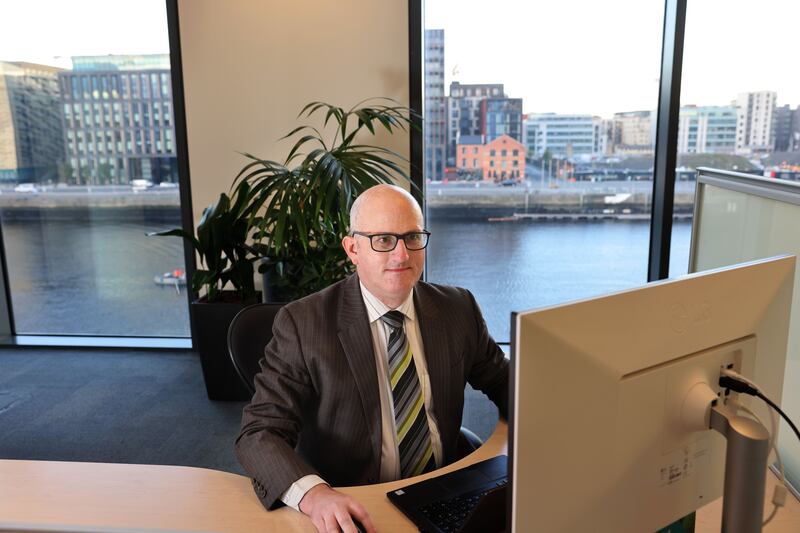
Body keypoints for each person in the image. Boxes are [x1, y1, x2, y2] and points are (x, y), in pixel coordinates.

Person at [235, 184, 508, 533]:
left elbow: (503, 381)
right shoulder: (303, 324)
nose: (401, 255)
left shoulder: (458, 308)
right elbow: (260, 432)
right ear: (353, 248)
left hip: (446, 487)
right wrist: (315, 494)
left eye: (412, 237)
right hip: (354, 499)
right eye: (383, 240)